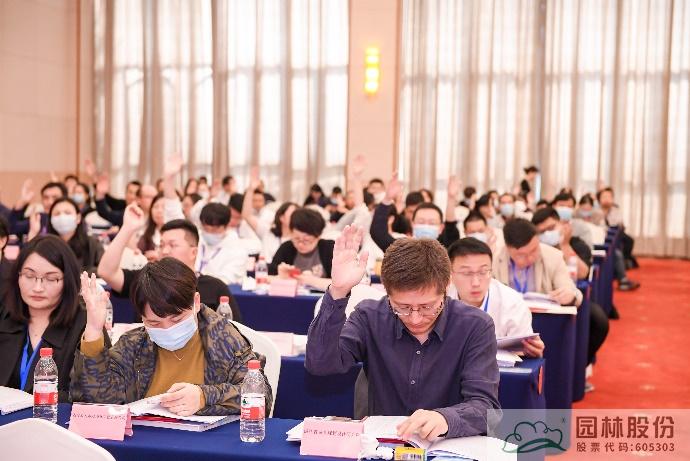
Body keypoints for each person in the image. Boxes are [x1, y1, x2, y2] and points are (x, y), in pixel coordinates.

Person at [306, 227, 500, 440]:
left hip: (447, 445)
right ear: (386, 291)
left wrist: (445, 418)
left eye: (427, 307)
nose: (415, 319)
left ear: (446, 286)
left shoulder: (475, 325)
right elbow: (321, 365)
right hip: (382, 445)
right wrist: (338, 291)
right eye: (402, 307)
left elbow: (486, 408)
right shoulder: (369, 316)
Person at [71, 258, 272, 416]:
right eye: (154, 323)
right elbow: (96, 401)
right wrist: (94, 331)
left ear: (196, 302)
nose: (168, 329)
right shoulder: (135, 344)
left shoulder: (223, 338)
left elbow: (261, 397)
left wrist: (204, 397)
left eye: (177, 319)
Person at [97, 208, 241, 320]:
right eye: (161, 245)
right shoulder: (145, 280)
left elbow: (236, 334)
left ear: (193, 252)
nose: (165, 251)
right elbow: (106, 271)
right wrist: (128, 228)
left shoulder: (215, 287)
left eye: (173, 245)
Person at [0, 235, 91, 401]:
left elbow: (91, 396)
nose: (38, 287)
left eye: (50, 278)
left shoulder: (85, 325)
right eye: (29, 276)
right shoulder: (4, 315)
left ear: (67, 281)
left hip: (53, 417)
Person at [447, 238, 544, 357]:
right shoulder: (439, 300)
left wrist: (530, 351)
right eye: (467, 273)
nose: (476, 282)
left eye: (483, 272)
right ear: (450, 273)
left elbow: (522, 352)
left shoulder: (512, 303)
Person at [493, 218, 583, 306]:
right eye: (522, 255)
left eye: (534, 250)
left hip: (543, 314)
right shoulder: (494, 260)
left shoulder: (553, 256)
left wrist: (571, 297)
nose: (530, 258)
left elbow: (574, 292)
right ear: (507, 249)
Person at [370, 173, 460, 252]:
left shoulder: (445, 251)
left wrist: (451, 199)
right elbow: (378, 232)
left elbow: (451, 230)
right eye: (421, 221)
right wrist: (387, 199)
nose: (426, 226)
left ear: (441, 227)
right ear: (413, 224)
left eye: (432, 223)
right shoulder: (402, 250)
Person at [269, 208, 335, 291]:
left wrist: (311, 280)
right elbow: (268, 278)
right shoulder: (286, 248)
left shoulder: (330, 248)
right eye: (296, 239)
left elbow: (342, 285)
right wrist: (282, 278)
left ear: (318, 236)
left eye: (306, 240)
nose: (300, 244)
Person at [34, 198, 104, 274]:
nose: (62, 217)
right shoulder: (45, 245)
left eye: (67, 213)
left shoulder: (92, 243)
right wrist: (33, 232)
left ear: (78, 218)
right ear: (51, 219)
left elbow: (104, 269)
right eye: (57, 214)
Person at [195, 202, 250, 284]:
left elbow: (226, 280)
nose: (209, 233)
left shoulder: (238, 250)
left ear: (227, 226)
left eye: (214, 230)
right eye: (205, 229)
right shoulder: (196, 239)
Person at [532, 207, 590, 280]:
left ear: (561, 223)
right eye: (542, 232)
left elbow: (581, 274)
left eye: (551, 228)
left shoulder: (577, 244)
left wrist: (565, 245)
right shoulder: (536, 250)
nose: (547, 233)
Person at [137, 193, 166, 261]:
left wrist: (160, 256)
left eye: (163, 207)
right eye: (156, 207)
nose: (159, 211)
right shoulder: (146, 236)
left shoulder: (177, 236)